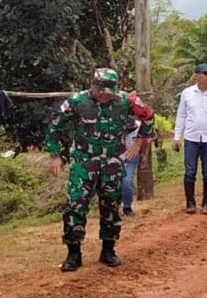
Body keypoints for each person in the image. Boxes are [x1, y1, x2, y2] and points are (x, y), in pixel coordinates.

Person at [44, 68, 154, 272]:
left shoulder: (126, 101)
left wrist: (139, 142)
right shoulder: (77, 101)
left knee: (111, 206)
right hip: (84, 162)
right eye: (100, 90)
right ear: (92, 85)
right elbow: (54, 126)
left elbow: (148, 116)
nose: (104, 95)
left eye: (108, 91)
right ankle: (73, 253)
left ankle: (108, 250)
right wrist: (55, 154)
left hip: (112, 161)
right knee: (75, 205)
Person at [172, 63, 207, 215]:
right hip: (191, 138)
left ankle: (206, 204)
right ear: (197, 75)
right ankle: (190, 203)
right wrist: (177, 136)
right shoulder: (187, 93)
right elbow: (181, 115)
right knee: (190, 171)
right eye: (205, 73)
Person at [121, 118, 142, 217]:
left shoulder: (140, 126)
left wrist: (144, 157)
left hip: (131, 157)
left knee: (127, 181)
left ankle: (127, 206)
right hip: (115, 157)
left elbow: (147, 140)